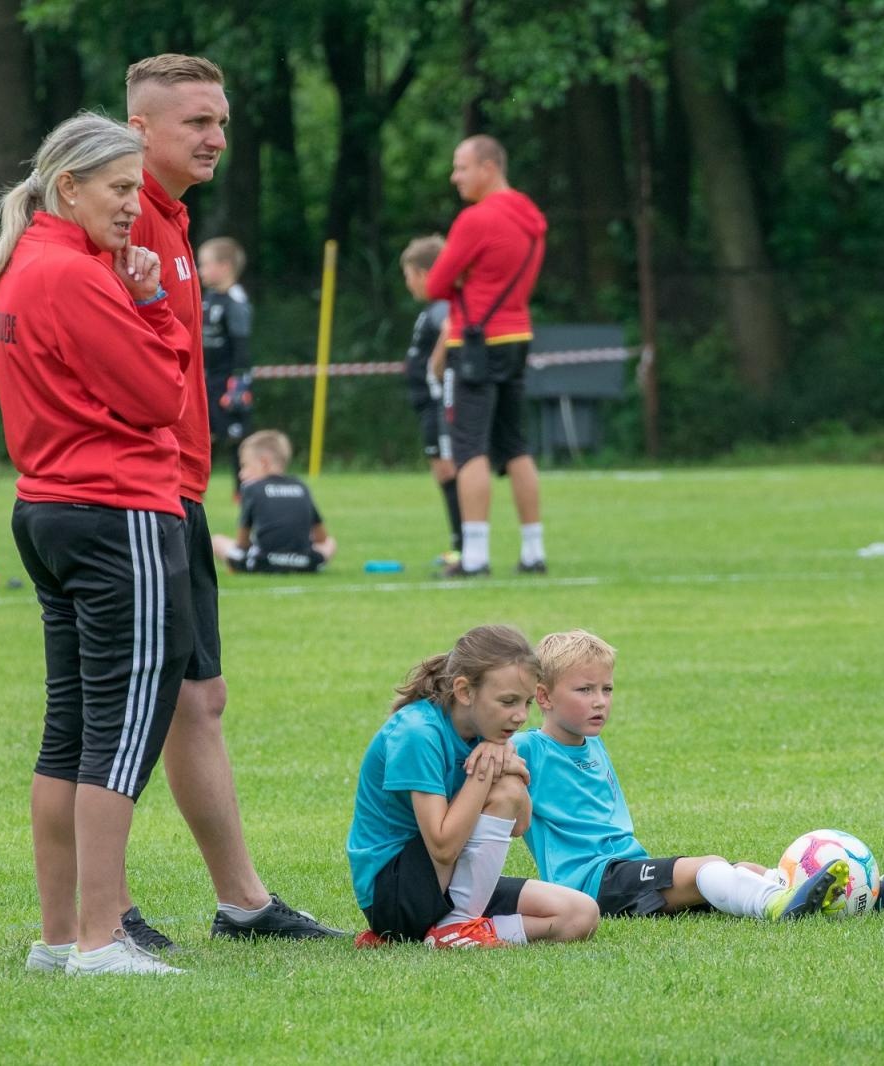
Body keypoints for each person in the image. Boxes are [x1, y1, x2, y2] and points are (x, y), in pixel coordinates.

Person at [120, 54, 342, 947]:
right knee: (126, 706)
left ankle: (243, 904)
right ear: (139, 130)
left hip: (182, 490)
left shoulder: (171, 218)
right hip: (131, 495)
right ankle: (106, 906)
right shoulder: (118, 208)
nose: (216, 138)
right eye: (195, 123)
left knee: (199, 700)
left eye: (220, 121)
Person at [0, 113, 193, 976]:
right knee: (121, 729)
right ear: (68, 186)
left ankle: (60, 936)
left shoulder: (29, 265)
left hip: (51, 509)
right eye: (118, 188)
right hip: (117, 512)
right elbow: (158, 396)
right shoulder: (71, 274)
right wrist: (154, 305)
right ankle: (103, 939)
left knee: (69, 731)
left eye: (137, 189)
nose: (131, 205)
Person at [515, 629, 884, 920]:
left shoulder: (591, 742)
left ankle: (871, 897)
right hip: (590, 884)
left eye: (606, 689)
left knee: (742, 869)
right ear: (544, 697)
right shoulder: (528, 749)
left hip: (625, 870)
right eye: (584, 690)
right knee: (705, 867)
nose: (599, 702)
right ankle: (777, 907)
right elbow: (476, 752)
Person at [347, 624, 600, 948]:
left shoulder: (489, 728)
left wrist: (506, 765)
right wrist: (485, 774)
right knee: (505, 789)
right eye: (508, 701)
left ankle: (457, 932)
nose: (520, 716)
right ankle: (456, 927)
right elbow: (442, 847)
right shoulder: (418, 733)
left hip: (453, 880)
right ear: (465, 692)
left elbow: (519, 825)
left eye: (526, 703)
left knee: (580, 914)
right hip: (394, 896)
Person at [426, 135, 548, 578]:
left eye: (462, 167)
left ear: (489, 168)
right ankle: (533, 550)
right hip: (517, 333)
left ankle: (475, 555)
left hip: (475, 342)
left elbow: (436, 284)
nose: (455, 177)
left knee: (469, 446)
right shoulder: (531, 215)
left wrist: (463, 282)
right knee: (515, 444)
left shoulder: (476, 219)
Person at [399, 234, 461, 565]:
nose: (408, 284)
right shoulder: (432, 308)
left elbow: (452, 330)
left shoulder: (440, 307)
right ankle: (460, 544)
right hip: (428, 403)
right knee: (443, 470)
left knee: (449, 469)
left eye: (408, 276)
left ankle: (463, 546)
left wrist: (435, 367)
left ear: (424, 273)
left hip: (440, 402)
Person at [210, 430, 336, 574]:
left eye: (244, 466)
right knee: (330, 543)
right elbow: (322, 537)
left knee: (217, 541)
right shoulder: (301, 486)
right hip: (305, 562)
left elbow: (242, 543)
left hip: (263, 562)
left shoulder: (252, 489)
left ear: (264, 463)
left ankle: (237, 566)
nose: (241, 474)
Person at [198, 236, 253, 492]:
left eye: (205, 264)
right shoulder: (208, 299)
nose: (201, 270)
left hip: (227, 381)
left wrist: (238, 387)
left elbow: (242, 349)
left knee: (235, 437)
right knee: (201, 436)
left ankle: (242, 490)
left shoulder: (236, 301)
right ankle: (194, 487)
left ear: (225, 266)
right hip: (205, 380)